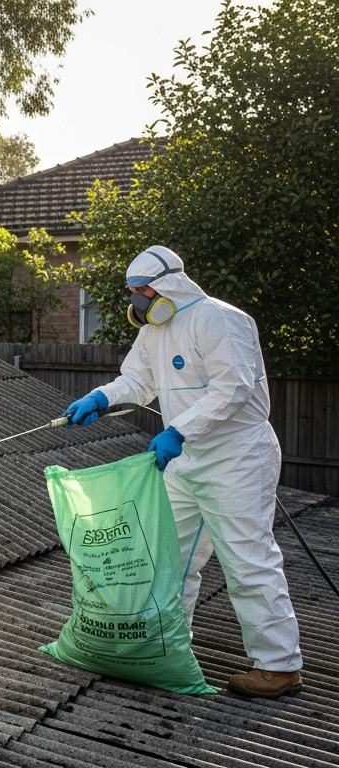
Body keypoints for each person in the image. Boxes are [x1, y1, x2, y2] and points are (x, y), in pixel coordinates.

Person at [64, 245, 303, 698]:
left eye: (141, 292)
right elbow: (138, 379)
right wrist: (101, 397)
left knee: (247, 559)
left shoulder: (220, 319)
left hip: (236, 456)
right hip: (184, 458)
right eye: (132, 293)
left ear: (167, 286)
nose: (136, 301)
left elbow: (233, 387)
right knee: (167, 558)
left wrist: (178, 428)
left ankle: (279, 666)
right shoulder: (157, 329)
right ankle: (168, 645)